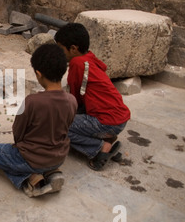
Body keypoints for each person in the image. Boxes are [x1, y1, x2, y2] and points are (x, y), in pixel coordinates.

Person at [0, 44, 77, 198]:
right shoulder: (72, 100)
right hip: (59, 157)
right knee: (33, 157)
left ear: (38, 74)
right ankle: (51, 172)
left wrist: (19, 148)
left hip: (31, 158)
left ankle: (31, 178)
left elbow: (18, 132)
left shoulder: (32, 101)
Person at [54, 23, 131, 171]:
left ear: (73, 49)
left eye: (61, 49)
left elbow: (74, 99)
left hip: (106, 121)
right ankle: (106, 137)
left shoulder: (77, 63)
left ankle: (100, 148)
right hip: (119, 119)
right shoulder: (89, 58)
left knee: (57, 125)